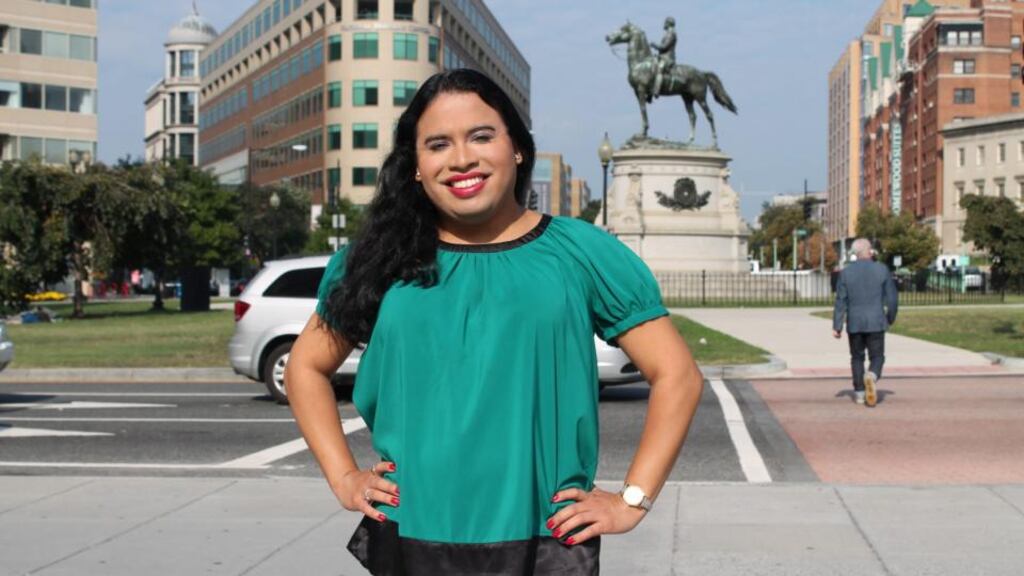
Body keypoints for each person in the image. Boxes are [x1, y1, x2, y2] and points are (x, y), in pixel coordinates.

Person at [284, 69, 704, 575]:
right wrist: (344, 476)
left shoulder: (581, 252)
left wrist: (632, 500)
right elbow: (304, 369)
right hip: (412, 535)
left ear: (517, 148)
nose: (462, 159)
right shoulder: (378, 259)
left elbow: (677, 375)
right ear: (416, 166)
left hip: (543, 542)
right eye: (438, 144)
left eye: (482, 136)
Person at [832, 238, 899, 407]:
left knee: (856, 357)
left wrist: (837, 326)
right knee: (877, 357)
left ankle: (860, 393)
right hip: (876, 321)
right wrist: (890, 317)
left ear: (855, 253)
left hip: (855, 322)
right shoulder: (882, 270)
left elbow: (841, 300)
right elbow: (892, 299)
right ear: (869, 251)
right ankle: (872, 375)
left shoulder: (846, 273)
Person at [649, 16, 677, 102]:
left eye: (665, 22)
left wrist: (654, 45)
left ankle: (656, 90)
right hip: (662, 56)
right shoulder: (668, 33)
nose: (664, 24)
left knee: (660, 68)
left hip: (668, 58)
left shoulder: (671, 33)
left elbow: (664, 47)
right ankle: (649, 92)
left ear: (668, 23)